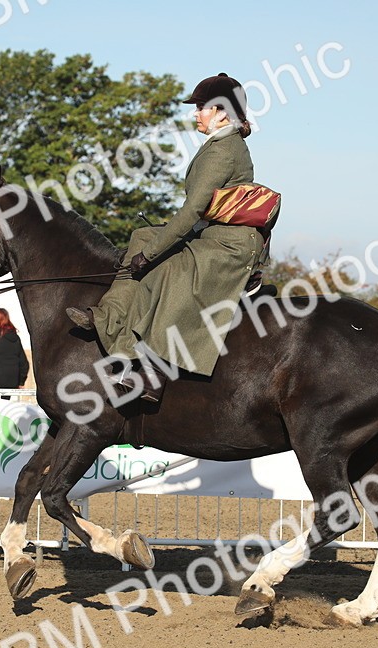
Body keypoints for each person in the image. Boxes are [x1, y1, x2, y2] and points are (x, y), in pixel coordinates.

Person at [66, 73, 267, 404]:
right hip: (215, 235)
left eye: (201, 107)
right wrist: (150, 243)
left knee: (166, 268)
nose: (195, 113)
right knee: (143, 234)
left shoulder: (223, 150)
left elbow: (192, 211)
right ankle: (106, 316)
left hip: (229, 247)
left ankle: (153, 373)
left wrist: (152, 254)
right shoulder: (220, 144)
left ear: (221, 112)